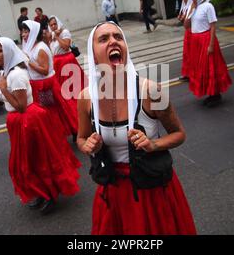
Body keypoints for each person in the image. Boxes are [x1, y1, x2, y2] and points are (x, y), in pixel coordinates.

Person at [77, 22, 197, 235]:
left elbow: (179, 134)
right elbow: (81, 138)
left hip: (151, 192)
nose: (113, 41)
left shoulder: (151, 91)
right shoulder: (86, 98)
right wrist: (88, 146)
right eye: (104, 39)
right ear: (93, 54)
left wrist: (153, 144)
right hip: (112, 194)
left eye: (118, 37)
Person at [0, 37, 81, 214]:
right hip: (18, 121)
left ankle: (49, 194)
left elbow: (21, 106)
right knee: (29, 161)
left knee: (40, 159)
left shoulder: (16, 75)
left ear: (8, 51)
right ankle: (40, 192)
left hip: (28, 121)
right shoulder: (5, 73)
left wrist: (2, 89)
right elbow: (10, 102)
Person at [21, 20, 78, 137]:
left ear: (33, 33)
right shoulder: (30, 47)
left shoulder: (40, 48)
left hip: (46, 85)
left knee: (54, 111)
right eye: (23, 32)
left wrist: (28, 62)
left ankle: (70, 131)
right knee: (54, 111)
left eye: (26, 32)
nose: (23, 35)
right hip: (37, 85)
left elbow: (44, 70)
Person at [184, 0, 232, 107]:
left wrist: (211, 45)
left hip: (206, 38)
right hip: (196, 41)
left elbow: (213, 26)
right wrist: (191, 11)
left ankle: (215, 94)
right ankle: (209, 93)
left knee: (210, 67)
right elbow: (186, 26)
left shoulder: (208, 6)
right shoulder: (192, 7)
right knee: (201, 68)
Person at [47, 16, 87, 105]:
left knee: (74, 85)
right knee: (63, 88)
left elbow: (65, 46)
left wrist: (57, 37)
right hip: (57, 63)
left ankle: (81, 103)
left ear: (58, 23)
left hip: (67, 60)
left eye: (55, 24)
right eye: (51, 25)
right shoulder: (51, 35)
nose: (53, 26)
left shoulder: (64, 32)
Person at [178, 0, 193, 81]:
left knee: (192, 54)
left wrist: (184, 18)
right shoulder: (185, 7)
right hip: (187, 32)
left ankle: (191, 73)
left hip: (193, 31)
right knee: (187, 54)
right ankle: (187, 73)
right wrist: (182, 18)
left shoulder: (192, 6)